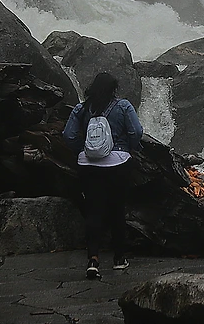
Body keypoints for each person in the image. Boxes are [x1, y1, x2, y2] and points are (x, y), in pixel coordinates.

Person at [62, 71, 143, 278]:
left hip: (88, 165)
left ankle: (93, 260)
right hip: (118, 163)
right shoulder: (123, 106)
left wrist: (82, 150)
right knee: (117, 210)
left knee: (93, 211)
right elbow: (136, 131)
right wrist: (129, 148)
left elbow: (68, 135)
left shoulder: (81, 108)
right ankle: (119, 259)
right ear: (114, 88)